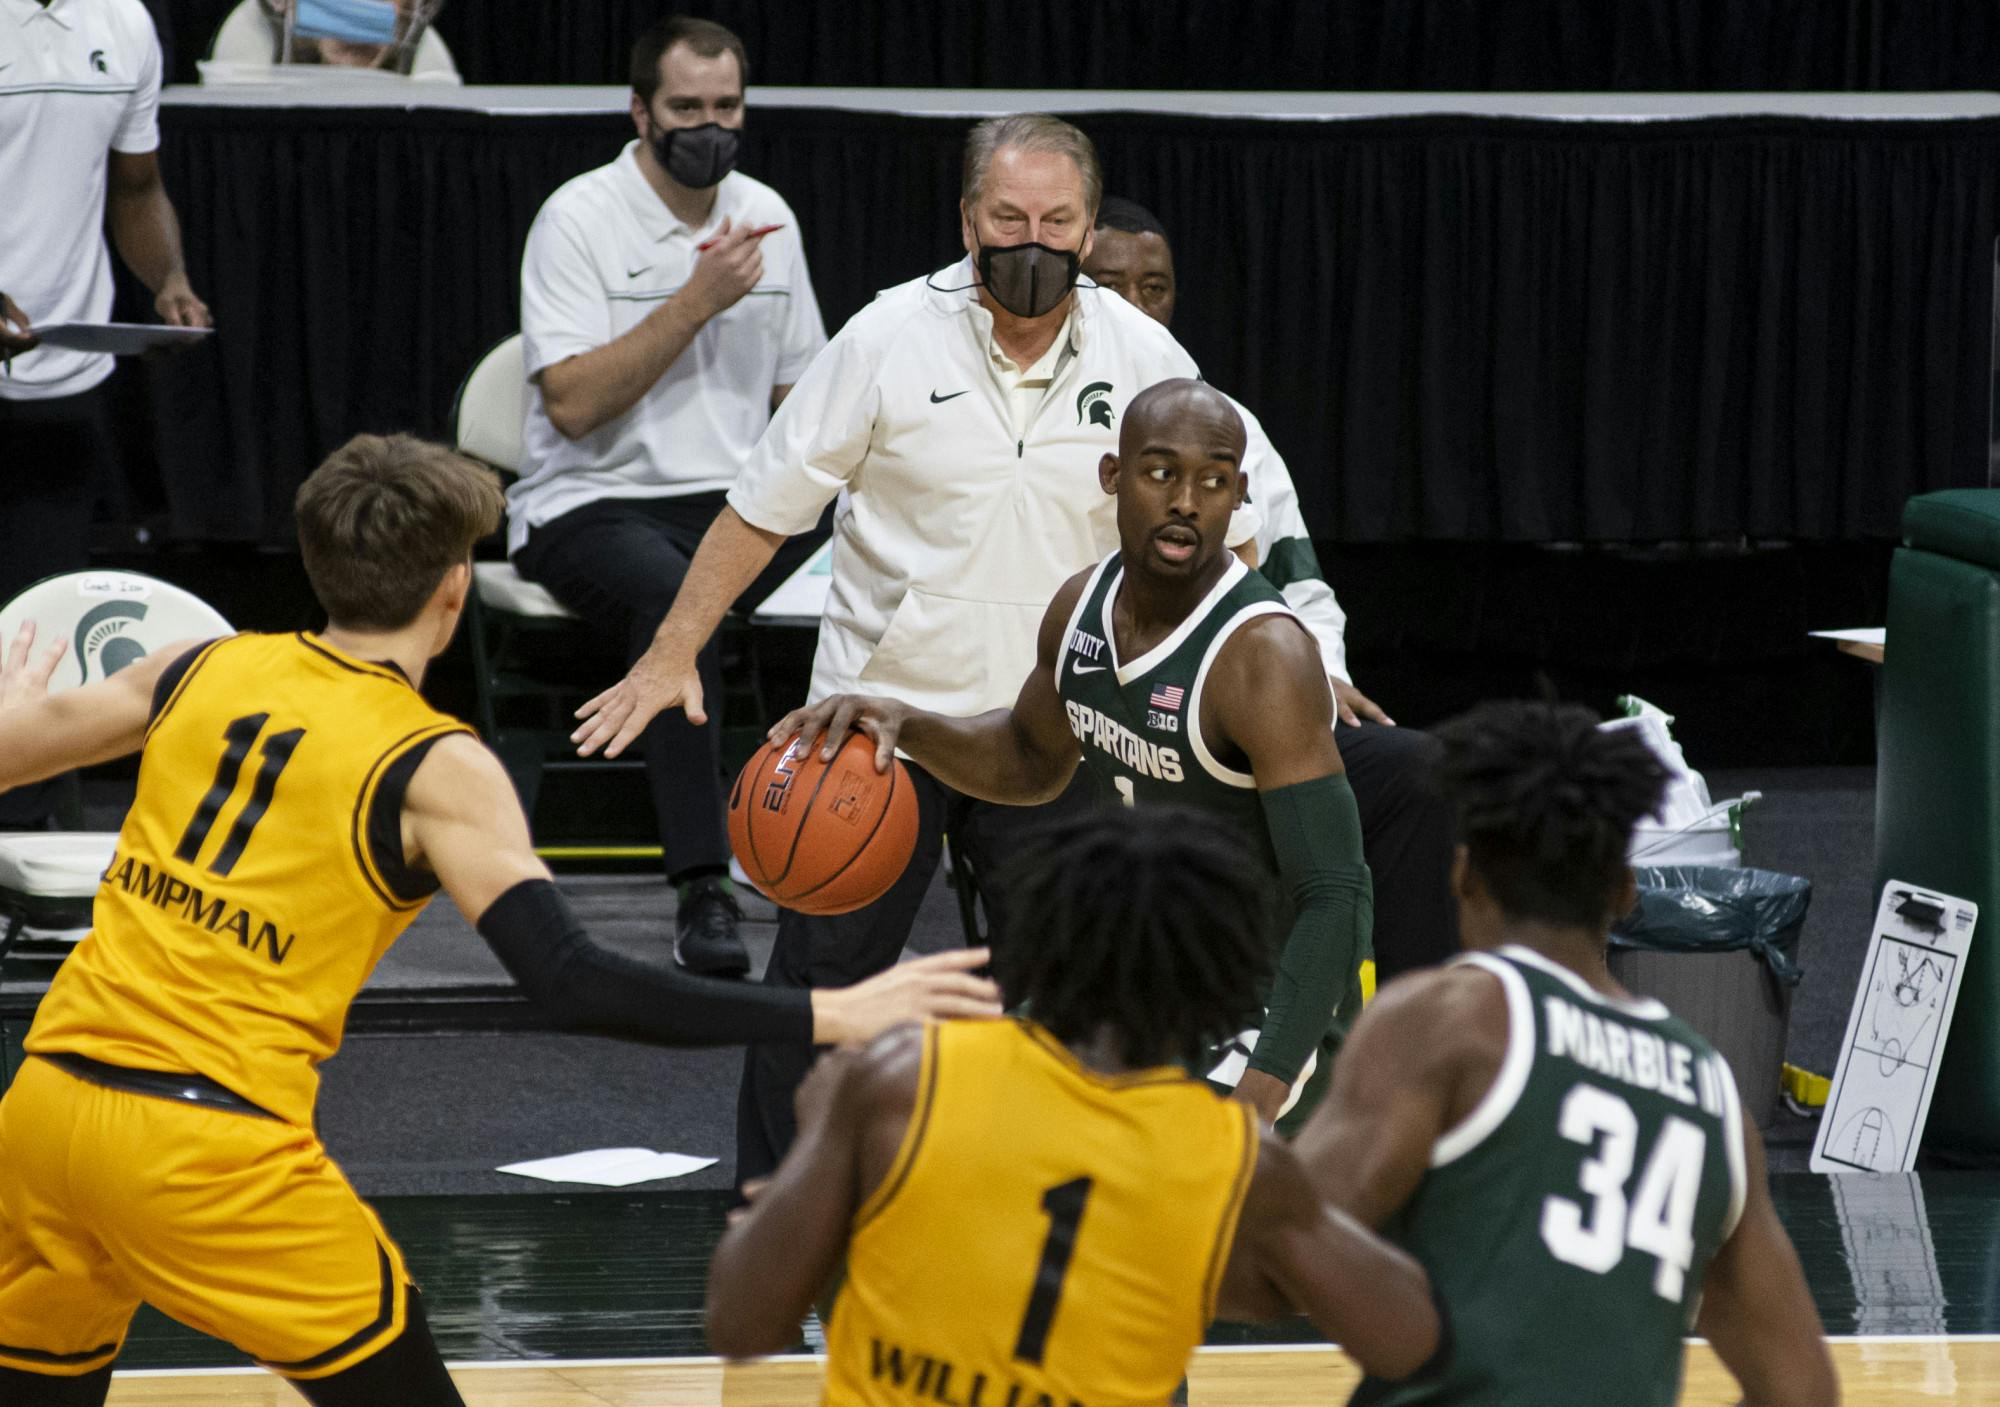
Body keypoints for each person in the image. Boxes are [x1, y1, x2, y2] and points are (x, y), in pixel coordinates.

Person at [0, 435, 998, 1406]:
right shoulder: (433, 763)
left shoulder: (196, 668)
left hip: (41, 1109)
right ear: (454, 591)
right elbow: (571, 980)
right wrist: (829, 1014)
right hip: (205, 1143)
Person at [571, 114, 1234, 1184]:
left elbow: (1222, 529)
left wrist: (1278, 664)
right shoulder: (886, 335)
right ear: (967, 218)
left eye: (1057, 219)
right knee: (820, 983)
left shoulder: (1142, 352)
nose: (1033, 239)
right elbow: (760, 510)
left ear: (1085, 224)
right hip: (878, 722)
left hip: (1051, 728)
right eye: (1008, 216)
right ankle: (768, 1206)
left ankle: (1057, 1207)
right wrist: (668, 652)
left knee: (1074, 991)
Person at [773, 379, 1370, 1131]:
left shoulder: (1263, 654)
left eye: (1213, 482)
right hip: (1138, 981)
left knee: (1141, 1184)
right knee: (945, 1113)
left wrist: (1265, 1084)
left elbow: (1338, 895)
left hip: (1257, 1002)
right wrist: (905, 720)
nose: (1187, 500)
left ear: (1239, 496)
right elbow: (1027, 758)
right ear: (1112, 478)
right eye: (1161, 473)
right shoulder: (1081, 607)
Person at [708, 807, 1442, 1404]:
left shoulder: (902, 1078)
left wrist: (820, 1152)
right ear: (1221, 979)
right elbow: (1408, 1336)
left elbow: (739, 1321)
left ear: (1044, 938)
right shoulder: (1231, 1158)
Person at [1293, 701, 1838, 1406]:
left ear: (1462, 875)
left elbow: (1280, 1256)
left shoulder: (1445, 1023)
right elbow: (1802, 1391)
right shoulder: (1711, 1096)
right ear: (1625, 889)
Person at [510, 14, 827, 977]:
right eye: (687, 108)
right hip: (591, 501)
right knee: (678, 597)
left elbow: (798, 400)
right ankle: (704, 889)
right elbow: (568, 405)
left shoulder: (768, 213)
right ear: (640, 111)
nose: (710, 126)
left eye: (727, 107)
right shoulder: (579, 217)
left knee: (888, 559)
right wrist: (693, 302)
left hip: (732, 501)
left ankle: (836, 852)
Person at [1083, 195, 1457, 982]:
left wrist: (1320, 675)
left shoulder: (1229, 424)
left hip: (1237, 715)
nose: (1138, 307)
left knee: (1417, 772)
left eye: (1156, 287)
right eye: (1111, 285)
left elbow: (1301, 585)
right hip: (1109, 719)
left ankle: (1408, 1046)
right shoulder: (1056, 419)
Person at [0, 0, 210, 830]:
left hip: (64, 373)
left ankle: (29, 841)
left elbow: (138, 184)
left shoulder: (124, 22)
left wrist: (170, 281)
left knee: (40, 623)